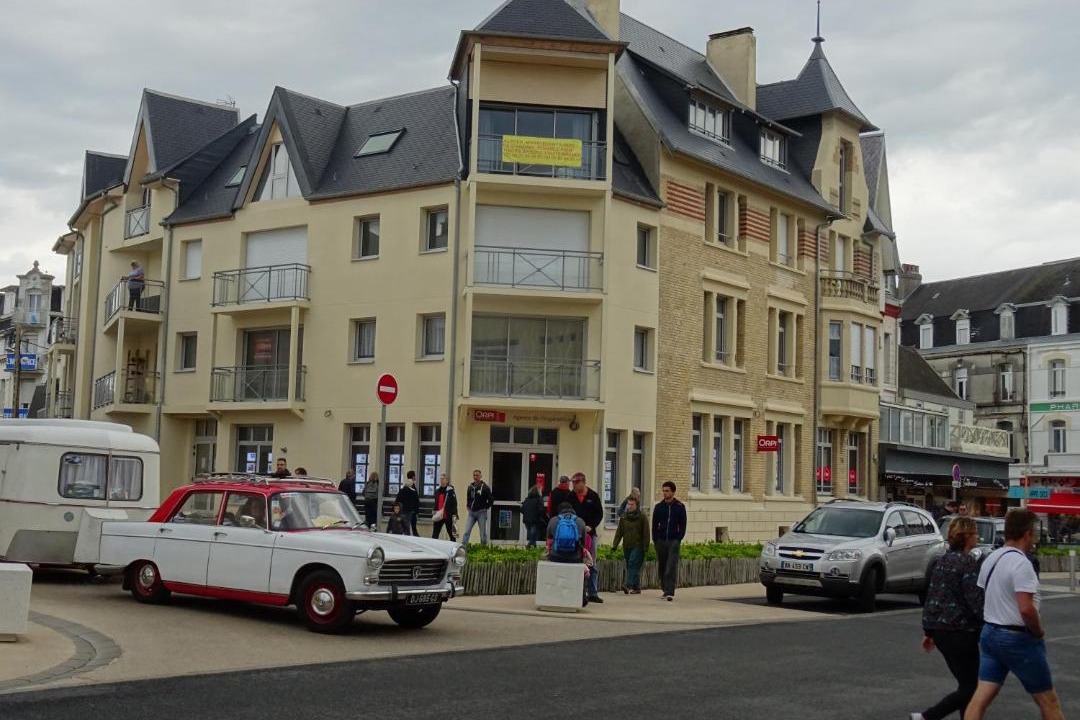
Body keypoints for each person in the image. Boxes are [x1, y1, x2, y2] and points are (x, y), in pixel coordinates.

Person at [963, 508, 1064, 720]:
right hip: (1017, 637)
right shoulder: (1021, 563)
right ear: (1027, 533)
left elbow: (985, 593)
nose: (1035, 538)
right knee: (1048, 700)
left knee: (980, 697)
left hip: (990, 633)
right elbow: (1026, 608)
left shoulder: (991, 559)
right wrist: (1038, 631)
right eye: (1034, 532)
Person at [912, 516, 984, 720]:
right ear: (967, 537)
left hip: (941, 631)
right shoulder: (967, 563)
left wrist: (929, 631)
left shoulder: (942, 561)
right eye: (975, 532)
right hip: (961, 631)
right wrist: (988, 623)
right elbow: (975, 600)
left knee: (966, 684)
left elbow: (933, 596)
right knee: (971, 686)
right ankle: (927, 717)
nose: (977, 536)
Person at [546, 501, 591, 607]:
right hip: (574, 558)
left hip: (555, 557)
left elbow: (548, 541)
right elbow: (583, 544)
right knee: (585, 572)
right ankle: (582, 596)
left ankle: (554, 597)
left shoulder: (553, 521)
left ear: (559, 511)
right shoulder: (580, 522)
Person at [569, 472, 604, 603]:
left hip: (590, 533)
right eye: (573, 483)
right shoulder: (571, 496)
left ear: (583, 482)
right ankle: (577, 591)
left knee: (592, 562)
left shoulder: (593, 496)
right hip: (574, 534)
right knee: (575, 561)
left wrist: (591, 526)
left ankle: (593, 592)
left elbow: (599, 514)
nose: (574, 485)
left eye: (576, 483)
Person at [652, 481, 686, 601]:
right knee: (662, 565)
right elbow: (654, 524)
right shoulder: (659, 507)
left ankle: (669, 591)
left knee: (671, 566)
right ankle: (664, 588)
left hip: (673, 541)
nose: (665, 493)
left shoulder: (680, 507)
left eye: (667, 491)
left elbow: (682, 524)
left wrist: (678, 538)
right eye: (664, 491)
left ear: (672, 492)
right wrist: (655, 539)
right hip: (661, 540)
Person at [611, 495, 650, 594]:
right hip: (627, 545)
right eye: (628, 504)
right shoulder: (624, 517)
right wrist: (615, 545)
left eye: (632, 504)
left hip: (638, 545)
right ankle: (637, 587)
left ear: (637, 505)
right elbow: (619, 532)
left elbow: (646, 532)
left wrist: (646, 547)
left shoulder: (642, 517)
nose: (630, 506)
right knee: (631, 566)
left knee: (633, 563)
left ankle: (628, 585)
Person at [462, 470, 493, 545]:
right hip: (471, 513)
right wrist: (468, 506)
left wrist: (485, 507)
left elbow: (491, 499)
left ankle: (483, 549)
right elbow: (468, 498)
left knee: (482, 534)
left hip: (481, 513)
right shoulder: (470, 487)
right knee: (466, 532)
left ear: (480, 476)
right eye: (474, 475)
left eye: (477, 475)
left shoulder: (485, 487)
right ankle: (463, 548)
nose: (475, 477)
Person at [432, 473, 458, 541]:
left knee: (452, 534)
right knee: (435, 533)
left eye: (443, 479)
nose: (441, 480)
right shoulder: (437, 490)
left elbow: (454, 504)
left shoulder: (450, 491)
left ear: (447, 481)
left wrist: (454, 515)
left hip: (448, 515)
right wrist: (434, 511)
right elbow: (436, 503)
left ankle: (453, 547)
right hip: (439, 514)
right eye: (440, 479)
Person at [520, 484, 547, 548]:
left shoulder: (527, 499)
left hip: (526, 519)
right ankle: (529, 545)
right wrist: (542, 516)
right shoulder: (539, 499)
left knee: (531, 534)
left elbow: (522, 509)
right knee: (533, 534)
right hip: (535, 519)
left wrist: (527, 513)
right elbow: (541, 509)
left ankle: (534, 546)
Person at [396, 471, 420, 536]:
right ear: (413, 477)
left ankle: (410, 536)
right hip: (411, 510)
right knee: (411, 526)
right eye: (414, 476)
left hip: (404, 509)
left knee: (406, 525)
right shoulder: (413, 489)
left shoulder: (402, 490)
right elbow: (416, 501)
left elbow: (398, 500)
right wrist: (417, 511)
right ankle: (414, 537)